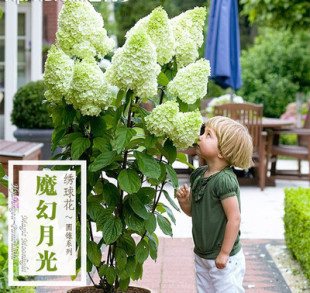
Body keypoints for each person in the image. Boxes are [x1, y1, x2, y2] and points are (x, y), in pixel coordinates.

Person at [176, 116, 253, 293]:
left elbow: (234, 218)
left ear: (223, 152)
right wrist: (184, 202)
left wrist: (225, 253)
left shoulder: (224, 180)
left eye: (208, 135)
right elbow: (194, 213)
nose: (200, 136)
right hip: (202, 254)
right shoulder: (198, 175)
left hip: (224, 258)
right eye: (203, 132)